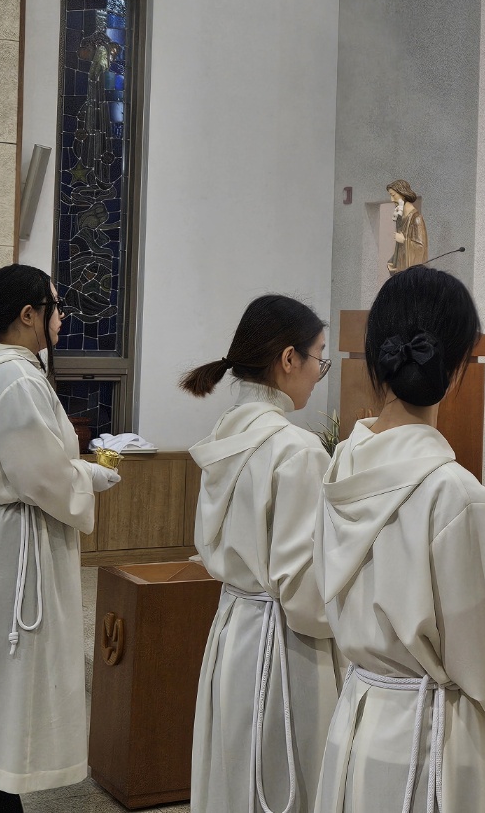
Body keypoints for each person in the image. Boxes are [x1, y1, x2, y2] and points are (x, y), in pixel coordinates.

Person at [311, 266, 485, 813]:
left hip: (357, 722)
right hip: (428, 744)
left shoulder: (342, 466)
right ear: (453, 374)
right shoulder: (453, 492)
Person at [0, 265, 122, 813]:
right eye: (56, 307)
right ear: (28, 314)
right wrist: (88, 476)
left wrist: (75, 473)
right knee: (6, 676)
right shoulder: (15, 379)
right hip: (11, 543)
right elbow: (39, 475)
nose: (62, 318)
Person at [181, 295, 340, 813]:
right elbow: (304, 590)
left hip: (234, 628)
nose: (319, 373)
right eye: (319, 357)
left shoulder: (227, 431)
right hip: (286, 642)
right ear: (289, 358)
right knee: (284, 776)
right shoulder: (296, 449)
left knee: (235, 773)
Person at [385, 180, 428, 273]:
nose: (391, 200)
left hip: (411, 274)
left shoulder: (416, 219)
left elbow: (421, 248)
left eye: (393, 195)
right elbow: (400, 249)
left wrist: (404, 241)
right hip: (401, 270)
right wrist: (393, 262)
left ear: (403, 194)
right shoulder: (400, 218)